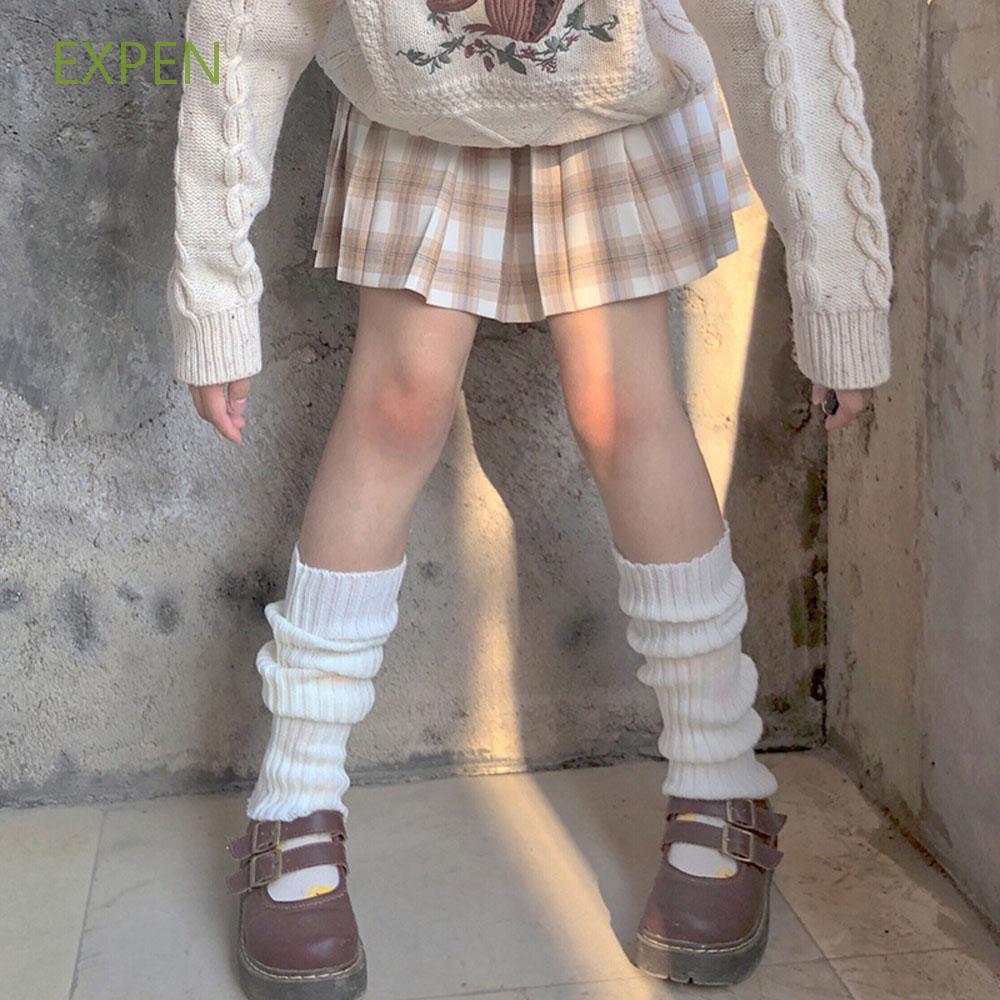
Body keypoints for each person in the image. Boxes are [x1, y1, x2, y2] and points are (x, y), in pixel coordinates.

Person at [166, 1, 893, 996]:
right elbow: (249, 20)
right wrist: (213, 288)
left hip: (616, 97)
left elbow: (778, 24)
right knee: (394, 405)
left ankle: (721, 779)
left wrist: (836, 286)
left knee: (623, 410)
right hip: (416, 100)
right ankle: (292, 798)